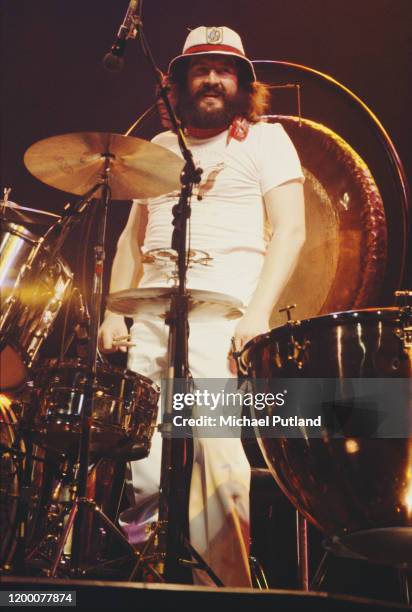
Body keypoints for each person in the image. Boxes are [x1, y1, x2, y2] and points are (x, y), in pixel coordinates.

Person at [98, 25, 305, 587]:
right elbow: (130, 241)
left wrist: (258, 312)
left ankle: (221, 588)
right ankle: (149, 581)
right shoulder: (161, 150)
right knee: (144, 467)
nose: (213, 78)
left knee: (214, 458)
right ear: (179, 82)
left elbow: (290, 230)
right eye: (200, 68)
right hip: (151, 315)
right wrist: (112, 312)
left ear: (242, 81)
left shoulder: (266, 140)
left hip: (221, 318)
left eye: (225, 68)